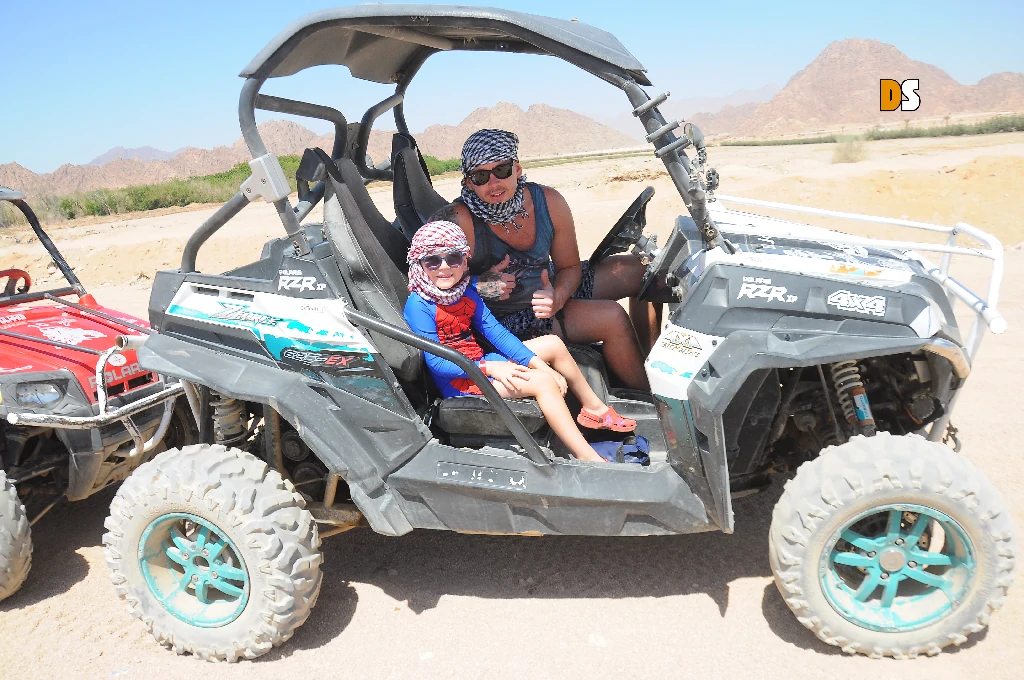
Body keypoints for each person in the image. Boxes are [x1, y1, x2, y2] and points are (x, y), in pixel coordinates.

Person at [434, 129, 654, 391]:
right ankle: (649, 399)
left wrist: (558, 296)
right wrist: (481, 285)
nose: (493, 183)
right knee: (611, 317)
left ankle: (645, 360)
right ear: (468, 183)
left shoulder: (549, 202)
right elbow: (428, 286)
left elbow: (569, 267)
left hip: (548, 288)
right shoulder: (458, 221)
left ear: (517, 169)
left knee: (641, 271)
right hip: (503, 318)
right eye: (481, 176)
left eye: (502, 170)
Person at [403, 220, 637, 463]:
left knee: (553, 344)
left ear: (464, 261)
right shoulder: (419, 305)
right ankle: (586, 456)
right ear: (419, 264)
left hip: (480, 362)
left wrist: (541, 365)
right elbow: (437, 363)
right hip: (460, 382)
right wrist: (491, 368)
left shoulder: (465, 292)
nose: (443, 267)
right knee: (543, 383)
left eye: (453, 258)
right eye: (432, 261)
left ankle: (594, 410)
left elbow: (497, 334)